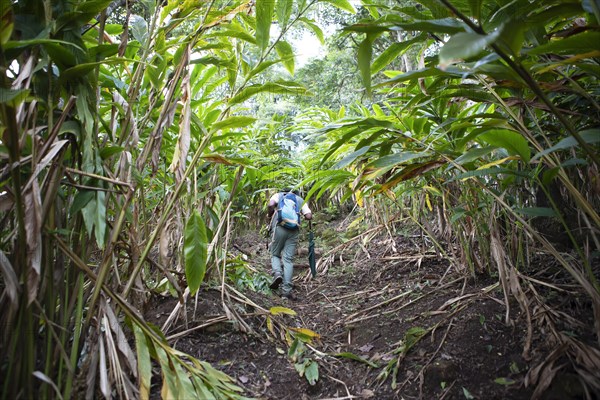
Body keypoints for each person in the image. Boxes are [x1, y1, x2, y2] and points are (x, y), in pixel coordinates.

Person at [267, 189, 312, 300]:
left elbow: (270, 204)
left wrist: (270, 214)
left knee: (275, 254)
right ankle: (286, 291)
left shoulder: (279, 195)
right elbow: (309, 216)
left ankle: (277, 273)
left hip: (279, 227)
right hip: (293, 231)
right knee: (288, 259)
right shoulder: (300, 200)